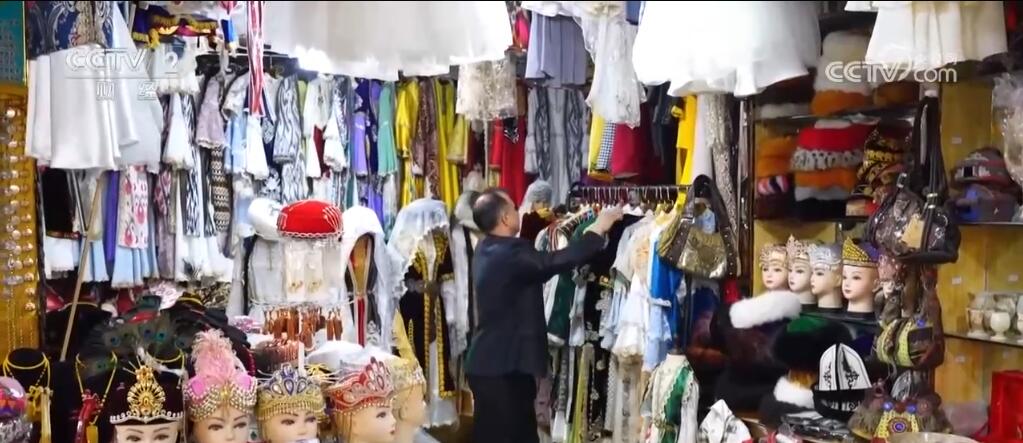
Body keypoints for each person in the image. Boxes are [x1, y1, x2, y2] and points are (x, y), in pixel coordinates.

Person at [465, 187, 623, 443]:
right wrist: (597, 230)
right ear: (505, 218)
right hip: (503, 369)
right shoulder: (511, 252)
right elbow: (554, 262)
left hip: (490, 364)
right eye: (514, 208)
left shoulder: (485, 248)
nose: (520, 211)